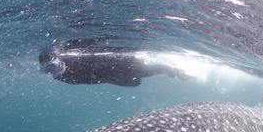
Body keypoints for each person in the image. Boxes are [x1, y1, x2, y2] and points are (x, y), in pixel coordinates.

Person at [39, 44, 188, 87]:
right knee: (136, 83)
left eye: (52, 65)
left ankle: (177, 70)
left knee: (150, 70)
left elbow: (103, 56)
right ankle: (173, 70)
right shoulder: (62, 78)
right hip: (112, 77)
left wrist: (130, 58)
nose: (53, 70)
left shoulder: (75, 58)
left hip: (118, 65)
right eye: (48, 70)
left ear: (59, 59)